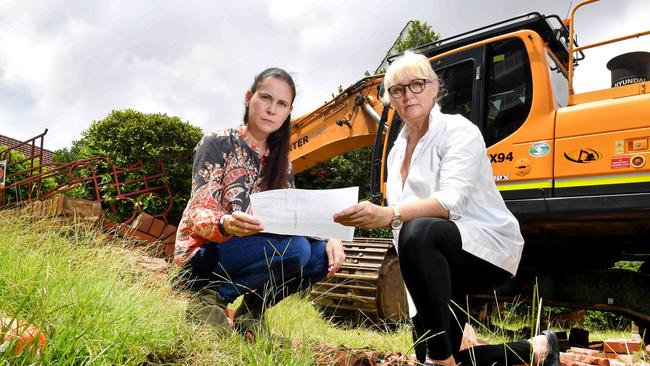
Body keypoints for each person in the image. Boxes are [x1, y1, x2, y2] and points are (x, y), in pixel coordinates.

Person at [333, 51, 559, 366]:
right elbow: (406, 240)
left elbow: (449, 203)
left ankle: (441, 362)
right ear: (389, 99)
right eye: (397, 90)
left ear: (435, 87)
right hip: (432, 257)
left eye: (416, 84)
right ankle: (536, 349)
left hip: (483, 249)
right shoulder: (397, 151)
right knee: (440, 355)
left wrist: (387, 214)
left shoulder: (458, 131)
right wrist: (420, 303)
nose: (407, 95)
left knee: (419, 229)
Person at [174, 67, 345, 336]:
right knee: (296, 249)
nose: (271, 109)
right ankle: (209, 299)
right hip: (203, 256)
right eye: (265, 98)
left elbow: (294, 220)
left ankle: (252, 312)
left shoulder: (281, 164)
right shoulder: (218, 142)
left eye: (281, 104)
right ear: (248, 98)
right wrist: (226, 223)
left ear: (289, 112)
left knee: (319, 257)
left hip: (253, 250)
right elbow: (198, 210)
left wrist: (330, 238)